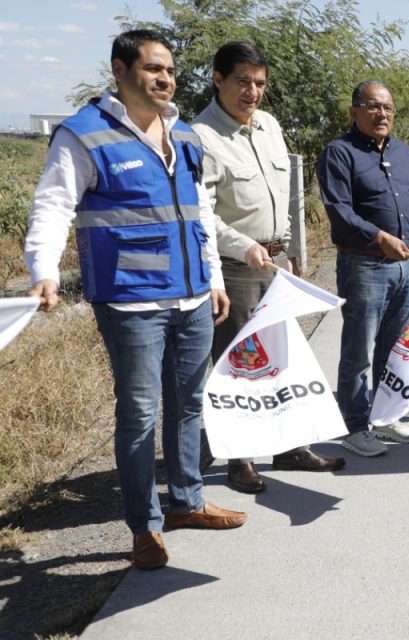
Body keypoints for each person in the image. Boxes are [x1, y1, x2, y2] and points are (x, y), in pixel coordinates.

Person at [24, 29, 245, 571]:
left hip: (192, 295)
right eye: (152, 69)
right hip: (130, 302)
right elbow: (53, 206)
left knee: (190, 403)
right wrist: (43, 270)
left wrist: (213, 278)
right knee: (140, 414)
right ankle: (145, 525)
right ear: (120, 72)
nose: (165, 79)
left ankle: (187, 501)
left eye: (170, 70)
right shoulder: (85, 135)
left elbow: (199, 220)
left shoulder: (186, 135)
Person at [192, 41, 345, 492]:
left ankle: (290, 447)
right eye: (242, 81)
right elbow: (203, 214)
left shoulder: (270, 126)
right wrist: (244, 248)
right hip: (235, 268)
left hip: (276, 263)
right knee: (240, 365)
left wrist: (292, 249)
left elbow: (287, 192)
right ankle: (240, 458)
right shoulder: (200, 137)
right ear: (218, 80)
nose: (252, 91)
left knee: (283, 360)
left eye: (259, 83)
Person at [318, 80, 409, 457]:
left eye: (388, 108)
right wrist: (380, 236)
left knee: (393, 348)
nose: (382, 114)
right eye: (373, 106)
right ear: (354, 112)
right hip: (364, 266)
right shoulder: (339, 152)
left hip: (404, 268)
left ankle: (383, 418)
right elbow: (340, 210)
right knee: (358, 350)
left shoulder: (402, 153)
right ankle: (353, 425)